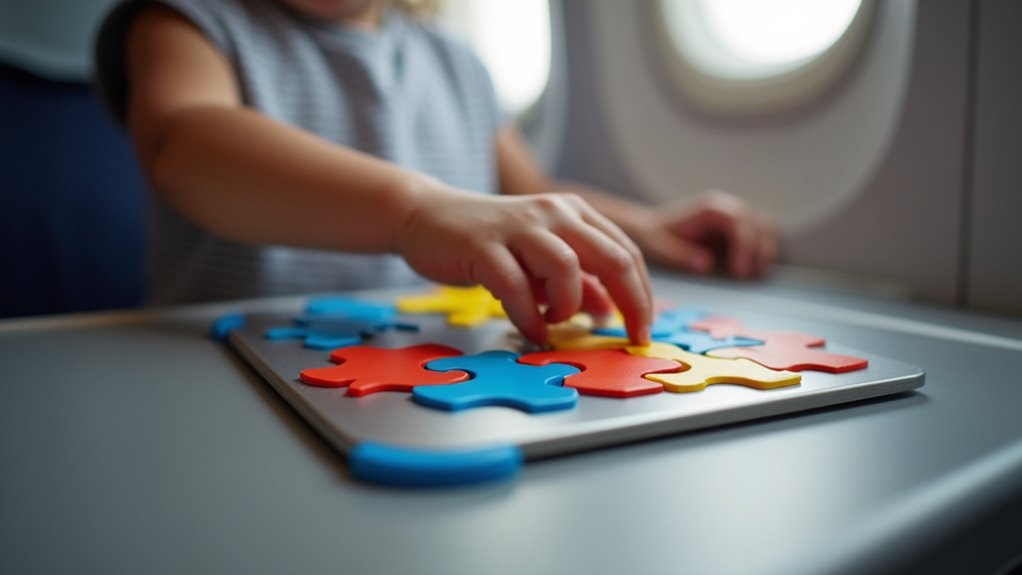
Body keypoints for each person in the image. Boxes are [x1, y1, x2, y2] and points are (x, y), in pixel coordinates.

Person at [93, 0, 777, 346]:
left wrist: (652, 227)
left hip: (405, 357)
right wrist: (415, 212)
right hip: (223, 365)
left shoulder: (456, 64)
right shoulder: (189, 23)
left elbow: (522, 193)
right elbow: (182, 149)